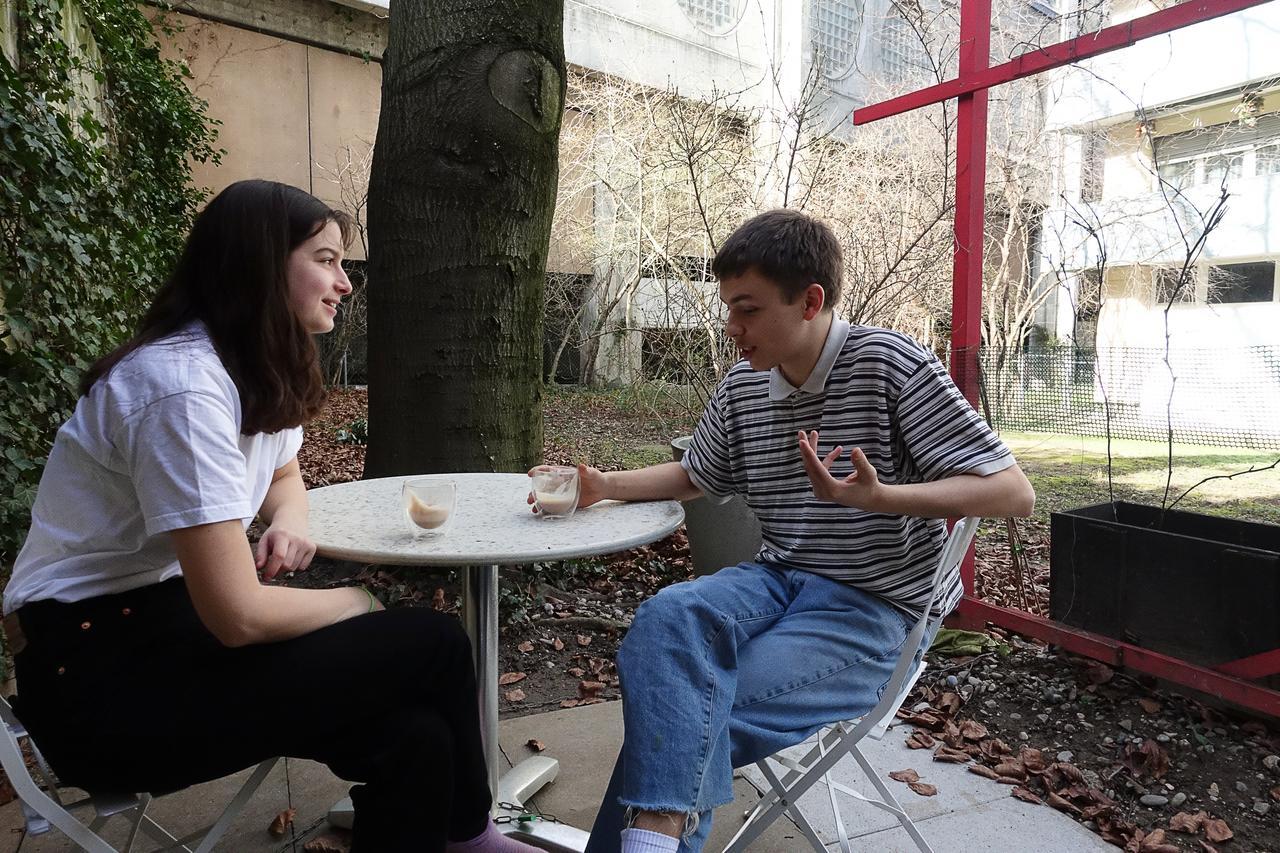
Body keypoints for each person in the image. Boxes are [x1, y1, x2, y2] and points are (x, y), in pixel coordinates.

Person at [2, 180, 538, 853]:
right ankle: (470, 837)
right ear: (258, 262)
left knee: (417, 740)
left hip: (171, 636)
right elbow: (241, 615)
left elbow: (283, 472)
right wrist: (361, 599)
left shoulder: (245, 367)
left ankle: (464, 834)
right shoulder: (180, 388)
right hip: (99, 684)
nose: (345, 282)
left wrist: (292, 520)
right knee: (433, 642)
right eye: (326, 259)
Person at [538, 209, 1036, 853]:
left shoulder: (891, 366)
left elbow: (1013, 492)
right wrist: (604, 484)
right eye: (726, 308)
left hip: (871, 608)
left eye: (746, 309)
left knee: (683, 712)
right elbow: (697, 473)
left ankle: (647, 843)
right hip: (776, 580)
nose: (731, 328)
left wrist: (884, 497)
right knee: (667, 618)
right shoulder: (746, 386)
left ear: (811, 301)